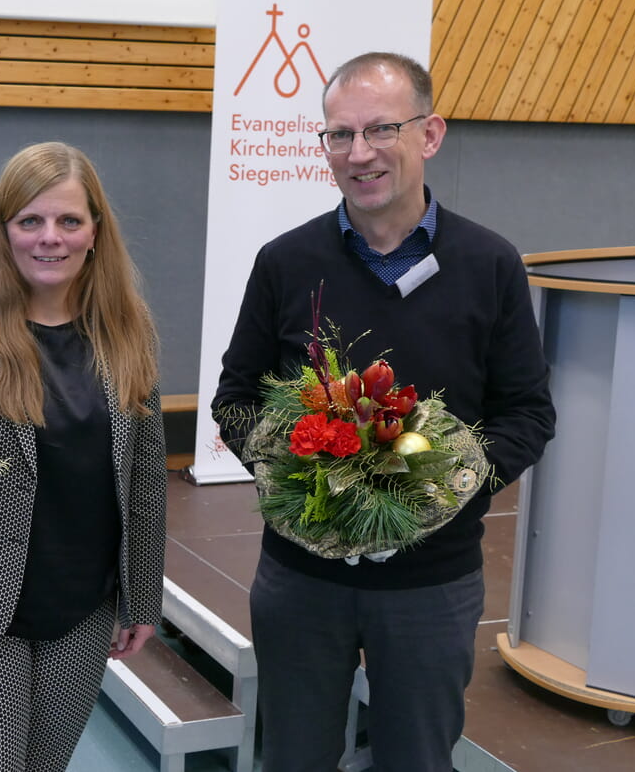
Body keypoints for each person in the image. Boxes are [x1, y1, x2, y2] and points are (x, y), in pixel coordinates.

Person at [212, 52, 556, 771]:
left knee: (418, 759)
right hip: (302, 578)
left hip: (432, 581)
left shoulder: (491, 264)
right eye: (339, 134)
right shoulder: (285, 261)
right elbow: (236, 400)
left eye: (379, 129)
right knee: (293, 757)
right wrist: (300, 480)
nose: (358, 153)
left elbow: (526, 412)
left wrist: (438, 492)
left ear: (429, 135)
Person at [0, 142, 168, 771]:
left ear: (95, 231)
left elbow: (146, 476)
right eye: (30, 221)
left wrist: (142, 597)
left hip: (81, 614)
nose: (51, 238)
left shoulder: (128, 328)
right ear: (4, 231)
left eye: (69, 221)